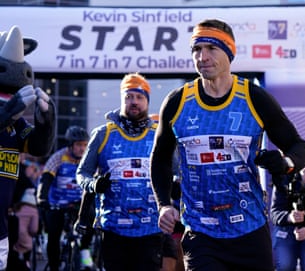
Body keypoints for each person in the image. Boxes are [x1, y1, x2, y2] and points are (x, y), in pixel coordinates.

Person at [150, 18, 305, 271]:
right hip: (201, 231)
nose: (202, 56)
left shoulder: (254, 98)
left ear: (229, 52)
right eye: (196, 50)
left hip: (250, 229)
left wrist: (285, 163)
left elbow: (298, 146)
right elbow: (159, 158)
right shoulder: (177, 102)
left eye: (211, 48)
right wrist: (164, 205)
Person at [76, 73, 177, 271]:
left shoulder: (159, 133)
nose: (134, 102)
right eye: (129, 97)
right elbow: (82, 173)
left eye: (139, 97)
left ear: (147, 101)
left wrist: (174, 188)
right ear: (122, 100)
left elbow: (177, 171)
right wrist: (93, 184)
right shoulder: (103, 134)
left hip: (151, 228)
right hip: (113, 228)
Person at [0, 26, 56, 271]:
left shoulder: (17, 123)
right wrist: (7, 113)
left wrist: (46, 121)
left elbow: (37, 147)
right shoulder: (11, 115)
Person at [36, 125, 93, 271]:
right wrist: (42, 198)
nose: (82, 148)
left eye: (85, 145)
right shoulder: (58, 157)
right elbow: (46, 179)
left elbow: (96, 181)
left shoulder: (89, 159)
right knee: (54, 236)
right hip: (58, 203)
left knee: (91, 220)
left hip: (80, 203)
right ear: (70, 145)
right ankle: (54, 266)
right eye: (79, 145)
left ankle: (85, 252)